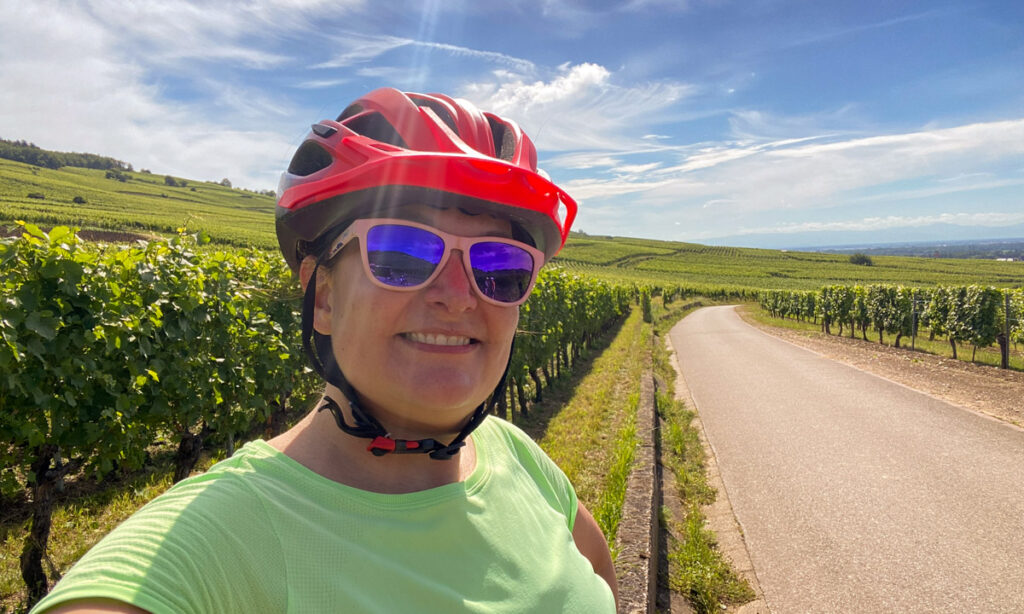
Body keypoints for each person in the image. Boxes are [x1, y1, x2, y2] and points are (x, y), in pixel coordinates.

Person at [32, 87, 618, 613]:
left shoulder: (517, 456)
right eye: (403, 253)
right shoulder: (217, 544)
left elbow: (596, 577)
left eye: (501, 265)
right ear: (325, 298)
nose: (459, 298)